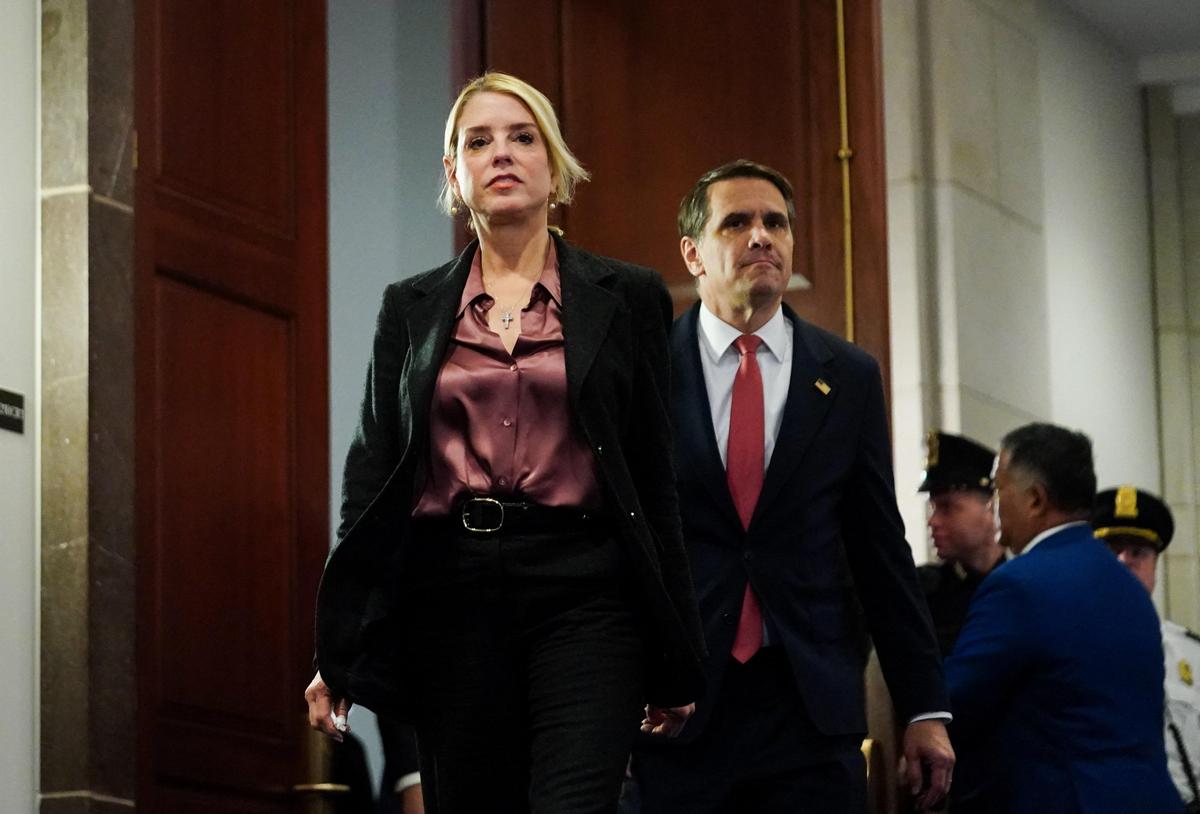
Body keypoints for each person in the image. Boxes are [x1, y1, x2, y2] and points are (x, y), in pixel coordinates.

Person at [303, 71, 706, 814]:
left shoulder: (630, 296)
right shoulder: (410, 308)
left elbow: (654, 479)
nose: (503, 154)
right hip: (450, 596)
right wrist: (341, 644)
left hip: (586, 592)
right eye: (478, 141)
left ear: (554, 165)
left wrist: (676, 652)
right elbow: (371, 479)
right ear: (454, 174)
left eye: (523, 137)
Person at [633, 159, 954, 812]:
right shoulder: (640, 373)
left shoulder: (848, 376)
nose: (761, 237)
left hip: (809, 709)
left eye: (775, 222)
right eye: (737, 223)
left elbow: (879, 552)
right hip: (679, 710)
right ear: (692, 253)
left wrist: (924, 706)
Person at [945, 423, 1183, 812]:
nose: (992, 503)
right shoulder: (1129, 588)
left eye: (998, 486)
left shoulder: (1018, 585)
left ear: (1036, 499)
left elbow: (955, 700)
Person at [1093, 486, 1200, 812]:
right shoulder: (1064, 650)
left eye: (1138, 552)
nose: (1125, 560)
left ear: (1155, 566)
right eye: (1113, 550)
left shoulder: (1190, 653)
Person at [916, 430, 1004, 657]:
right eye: (933, 508)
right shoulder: (921, 594)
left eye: (947, 508)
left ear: (992, 507)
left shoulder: (1023, 586)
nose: (932, 521)